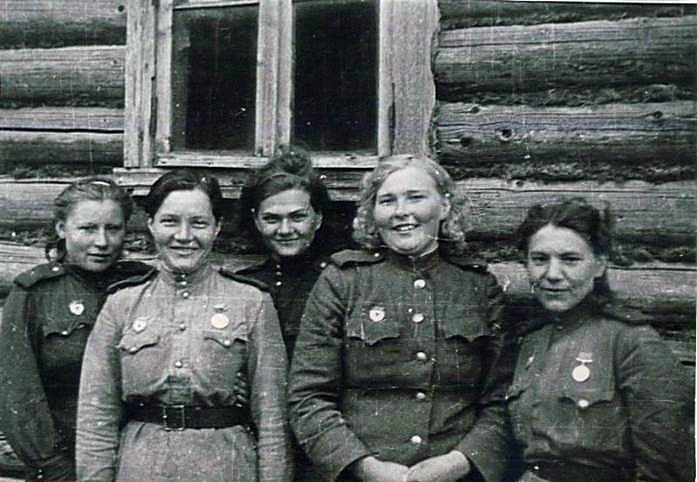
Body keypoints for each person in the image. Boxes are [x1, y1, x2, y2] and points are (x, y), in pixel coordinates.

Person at [289, 154, 511, 482]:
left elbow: (502, 399)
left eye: (415, 197)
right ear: (372, 213)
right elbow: (308, 396)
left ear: (444, 207)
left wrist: (459, 463)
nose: (401, 212)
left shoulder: (478, 287)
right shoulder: (344, 281)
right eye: (387, 201)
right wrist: (365, 467)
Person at [75, 170, 291, 482]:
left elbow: (273, 419)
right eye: (170, 221)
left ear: (217, 227)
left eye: (199, 223)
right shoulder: (121, 304)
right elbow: (96, 416)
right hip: (141, 467)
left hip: (225, 467)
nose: (184, 235)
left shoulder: (251, 302)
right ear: (151, 225)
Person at [505, 197, 694, 482]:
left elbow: (666, 466)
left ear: (599, 265)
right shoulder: (530, 341)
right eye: (540, 259)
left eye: (570, 260)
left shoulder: (632, 342)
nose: (552, 274)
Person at [0, 178, 151, 481]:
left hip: (141, 461)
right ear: (61, 229)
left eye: (113, 228)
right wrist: (54, 468)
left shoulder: (144, 287)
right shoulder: (35, 293)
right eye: (88, 228)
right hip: (65, 464)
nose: (102, 241)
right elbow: (18, 393)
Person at [236, 146, 332, 358]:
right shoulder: (244, 284)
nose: (285, 230)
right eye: (272, 219)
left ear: (318, 218)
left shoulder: (336, 282)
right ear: (256, 221)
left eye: (298, 217)